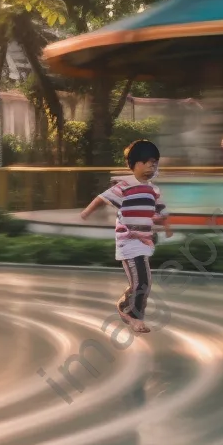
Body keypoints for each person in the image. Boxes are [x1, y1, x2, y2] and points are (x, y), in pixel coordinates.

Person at [79, 139, 171, 334]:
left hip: (144, 241)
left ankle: (125, 305)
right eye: (145, 163)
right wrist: (86, 212)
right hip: (128, 241)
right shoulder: (124, 186)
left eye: (154, 163)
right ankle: (135, 317)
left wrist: (167, 226)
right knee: (143, 281)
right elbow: (101, 199)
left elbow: (160, 210)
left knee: (142, 281)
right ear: (133, 165)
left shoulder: (153, 190)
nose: (150, 167)